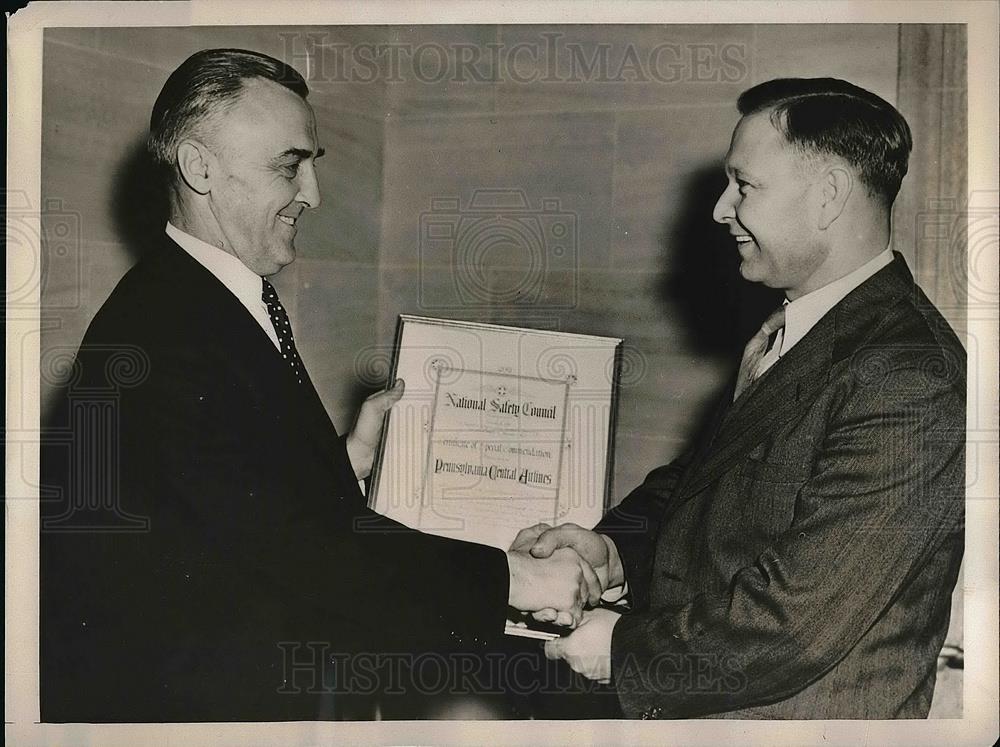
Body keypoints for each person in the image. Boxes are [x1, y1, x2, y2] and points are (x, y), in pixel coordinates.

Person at [39, 48, 598, 722]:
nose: (313, 195)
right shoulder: (166, 331)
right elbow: (299, 554)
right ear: (200, 166)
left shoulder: (204, 301)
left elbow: (233, 500)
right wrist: (517, 577)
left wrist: (343, 463)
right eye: (290, 165)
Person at [525, 77, 966, 719]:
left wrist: (624, 649)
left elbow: (797, 624)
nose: (719, 209)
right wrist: (613, 550)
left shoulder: (912, 374)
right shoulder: (796, 330)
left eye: (745, 185)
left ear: (829, 196)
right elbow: (705, 484)